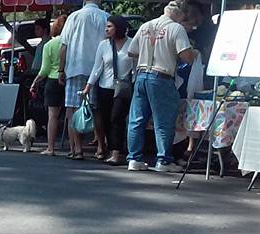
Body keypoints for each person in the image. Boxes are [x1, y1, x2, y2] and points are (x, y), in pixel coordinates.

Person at [125, 0, 196, 173]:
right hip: (162, 76)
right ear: (179, 14)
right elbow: (187, 57)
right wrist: (192, 52)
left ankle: (134, 159)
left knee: (137, 120)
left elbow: (131, 52)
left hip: (141, 75)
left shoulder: (145, 26)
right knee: (163, 120)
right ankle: (163, 160)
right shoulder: (176, 28)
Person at [58, 0, 108, 160]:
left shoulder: (73, 17)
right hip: (98, 69)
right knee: (97, 110)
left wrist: (60, 69)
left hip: (75, 68)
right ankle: (101, 147)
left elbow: (64, 45)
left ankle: (77, 149)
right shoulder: (105, 17)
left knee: (73, 110)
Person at [81, 15, 134, 165]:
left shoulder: (131, 44)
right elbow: (97, 68)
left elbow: (135, 67)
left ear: (119, 27)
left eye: (110, 26)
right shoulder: (104, 45)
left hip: (122, 88)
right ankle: (111, 149)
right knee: (105, 120)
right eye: (106, 26)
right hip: (105, 87)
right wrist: (88, 86)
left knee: (116, 118)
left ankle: (116, 153)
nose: (106, 29)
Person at [31, 15, 66, 156]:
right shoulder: (73, 43)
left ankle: (50, 147)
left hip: (52, 80)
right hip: (68, 79)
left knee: (53, 116)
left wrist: (35, 82)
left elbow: (44, 70)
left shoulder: (49, 45)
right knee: (71, 114)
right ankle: (77, 148)